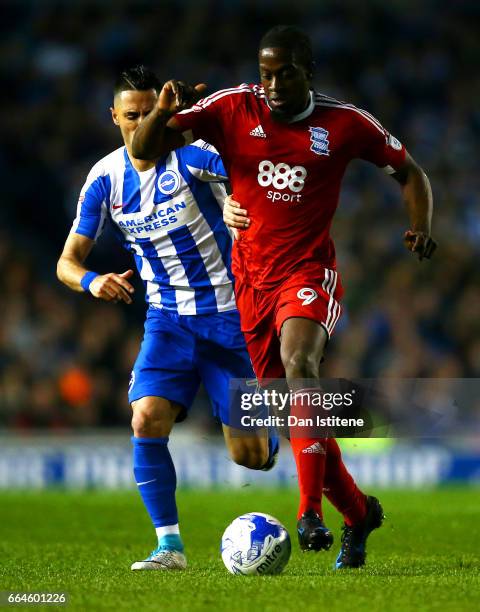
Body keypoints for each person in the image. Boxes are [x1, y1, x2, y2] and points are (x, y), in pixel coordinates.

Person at [132, 25, 437, 569]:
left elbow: (409, 172)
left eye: (284, 73)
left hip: (307, 273)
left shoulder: (344, 123)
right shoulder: (231, 108)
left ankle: (308, 513)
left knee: (302, 365)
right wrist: (161, 110)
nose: (271, 84)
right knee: (294, 413)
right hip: (248, 284)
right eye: (265, 73)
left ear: (307, 73)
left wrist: (419, 225)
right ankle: (360, 512)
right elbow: (145, 148)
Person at [56, 65, 278, 571]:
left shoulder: (196, 159)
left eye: (153, 113)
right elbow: (66, 263)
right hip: (168, 321)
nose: (142, 125)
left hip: (231, 318)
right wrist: (93, 280)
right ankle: (169, 547)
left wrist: (238, 208)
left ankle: (268, 444)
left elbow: (251, 181)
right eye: (132, 116)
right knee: (145, 417)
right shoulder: (103, 180)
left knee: (249, 458)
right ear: (114, 117)